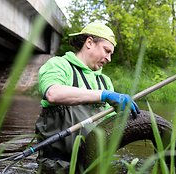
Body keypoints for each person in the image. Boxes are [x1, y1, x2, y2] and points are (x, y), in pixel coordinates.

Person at [35, 22, 140, 172]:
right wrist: (103, 95)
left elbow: (109, 128)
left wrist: (125, 116)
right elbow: (53, 94)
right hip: (55, 165)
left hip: (92, 166)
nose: (109, 58)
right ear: (89, 42)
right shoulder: (58, 65)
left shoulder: (105, 81)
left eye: (111, 53)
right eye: (106, 50)